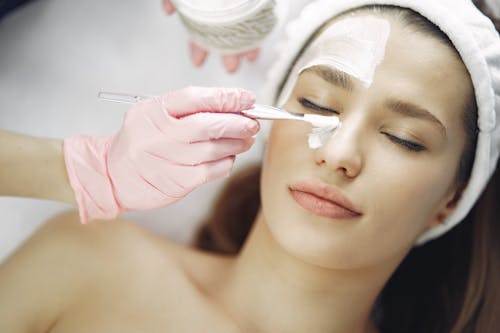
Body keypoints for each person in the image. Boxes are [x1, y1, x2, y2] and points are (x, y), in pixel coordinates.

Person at [1, 1, 499, 333]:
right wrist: (76, 171)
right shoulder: (90, 261)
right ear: (266, 124)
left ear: (450, 199)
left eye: (403, 139)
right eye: (317, 105)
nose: (339, 153)